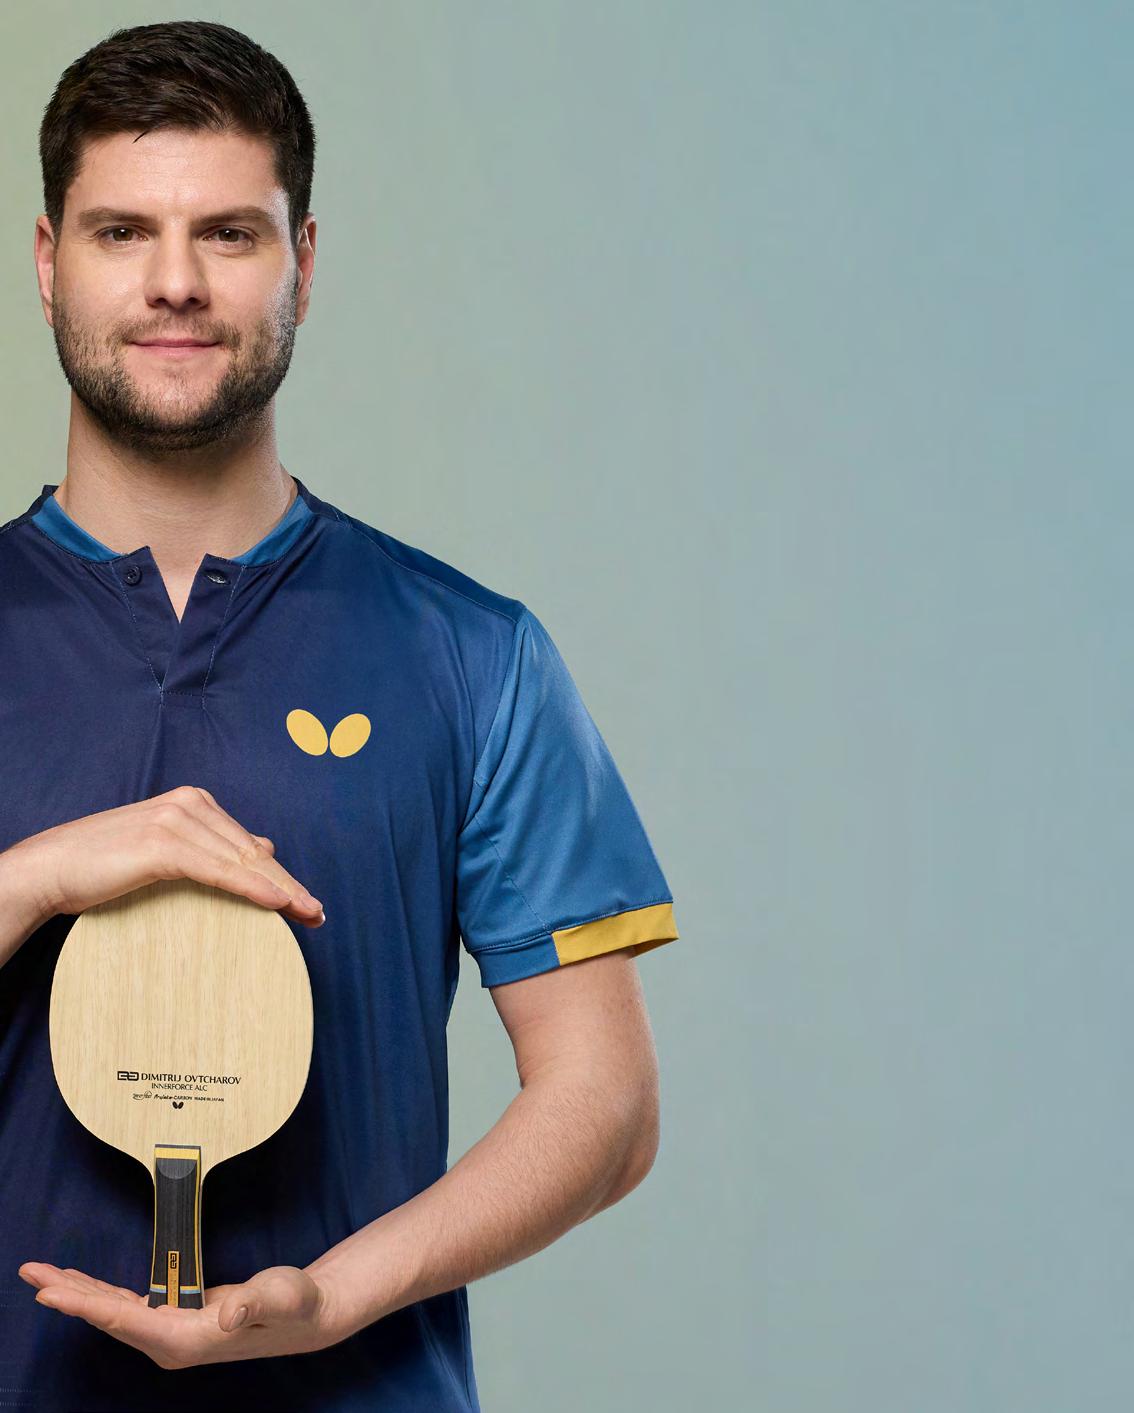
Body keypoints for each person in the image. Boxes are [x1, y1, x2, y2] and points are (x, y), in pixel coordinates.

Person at [0, 19, 680, 1410]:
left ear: (303, 262)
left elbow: (605, 1106)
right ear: (49, 259)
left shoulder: (470, 652)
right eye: (124, 231)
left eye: (229, 234)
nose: (176, 281)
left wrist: (336, 1299)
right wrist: (39, 876)